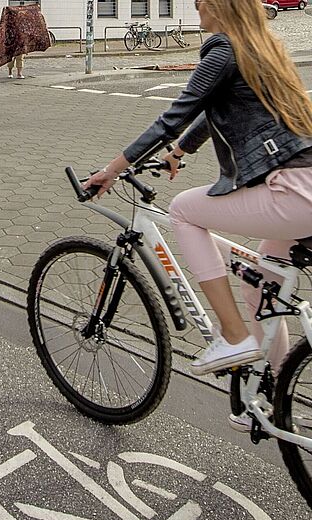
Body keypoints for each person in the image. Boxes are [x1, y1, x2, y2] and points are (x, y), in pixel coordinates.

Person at [84, 0, 312, 386]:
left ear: (219, 6)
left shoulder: (223, 48)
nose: (196, 10)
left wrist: (110, 171)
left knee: (184, 210)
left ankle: (234, 337)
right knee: (259, 280)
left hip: (293, 191)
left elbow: (175, 116)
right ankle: (271, 392)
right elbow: (214, 109)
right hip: (304, 185)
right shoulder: (260, 45)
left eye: (199, 3)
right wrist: (180, 152)